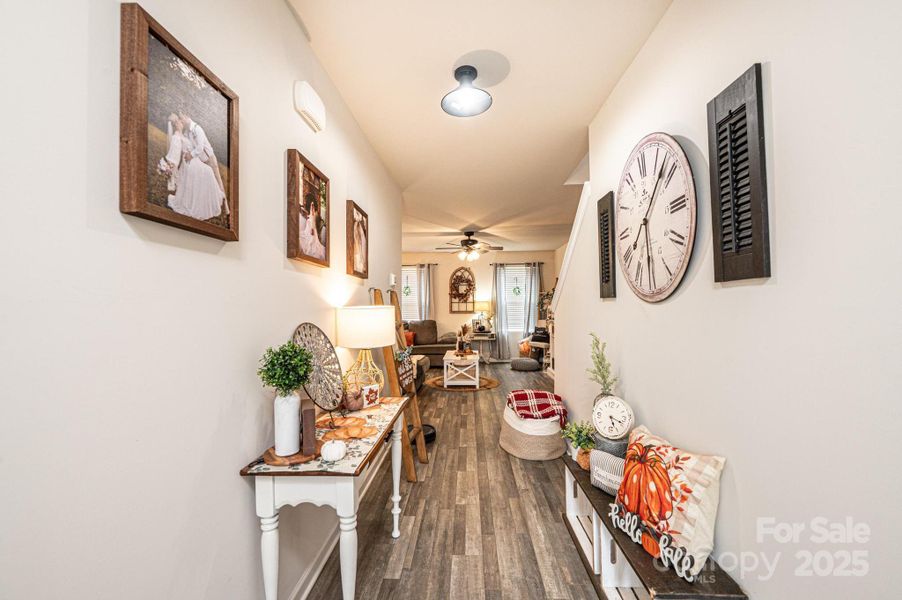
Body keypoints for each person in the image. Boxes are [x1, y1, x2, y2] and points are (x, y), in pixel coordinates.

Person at [160, 113, 225, 221]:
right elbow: (175, 154)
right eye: (177, 122)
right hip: (189, 162)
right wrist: (171, 165)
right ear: (175, 125)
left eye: (180, 120)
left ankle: (206, 199)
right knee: (207, 171)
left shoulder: (185, 134)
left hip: (194, 160)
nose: (180, 122)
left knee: (208, 171)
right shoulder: (176, 136)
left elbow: (197, 146)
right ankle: (198, 203)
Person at [178, 110, 228, 215]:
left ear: (187, 116)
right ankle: (207, 203)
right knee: (206, 183)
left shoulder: (197, 129)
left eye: (181, 118)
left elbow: (200, 147)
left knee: (218, 181)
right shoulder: (187, 132)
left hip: (209, 159)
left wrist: (190, 155)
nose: (181, 120)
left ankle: (226, 207)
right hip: (200, 161)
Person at [300, 195, 326, 259]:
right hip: (310, 229)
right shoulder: (313, 212)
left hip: (311, 229)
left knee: (307, 242)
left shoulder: (313, 211)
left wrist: (312, 228)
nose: (304, 203)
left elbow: (313, 221)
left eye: (305, 201)